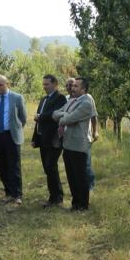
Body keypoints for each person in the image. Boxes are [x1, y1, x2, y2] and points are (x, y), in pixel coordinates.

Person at [53, 77, 97, 211]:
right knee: (71, 176)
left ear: (84, 89)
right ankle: (75, 203)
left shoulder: (86, 103)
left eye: (76, 86)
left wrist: (65, 117)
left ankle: (83, 205)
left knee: (80, 176)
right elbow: (55, 114)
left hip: (78, 145)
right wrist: (65, 116)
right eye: (73, 86)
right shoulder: (72, 100)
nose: (73, 88)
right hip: (67, 143)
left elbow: (67, 119)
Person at [0, 75, 27, 205]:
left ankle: (17, 194)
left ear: (7, 84)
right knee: (2, 165)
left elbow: (23, 117)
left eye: (1, 85)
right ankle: (8, 192)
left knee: (14, 165)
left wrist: (16, 128)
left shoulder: (17, 98)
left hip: (11, 135)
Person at [31, 73, 67, 207]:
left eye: (47, 84)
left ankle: (57, 197)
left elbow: (55, 115)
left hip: (54, 139)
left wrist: (40, 116)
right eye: (43, 84)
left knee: (51, 166)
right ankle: (53, 196)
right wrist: (35, 138)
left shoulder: (60, 98)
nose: (44, 87)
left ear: (55, 84)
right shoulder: (43, 99)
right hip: (43, 139)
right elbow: (37, 121)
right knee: (47, 168)